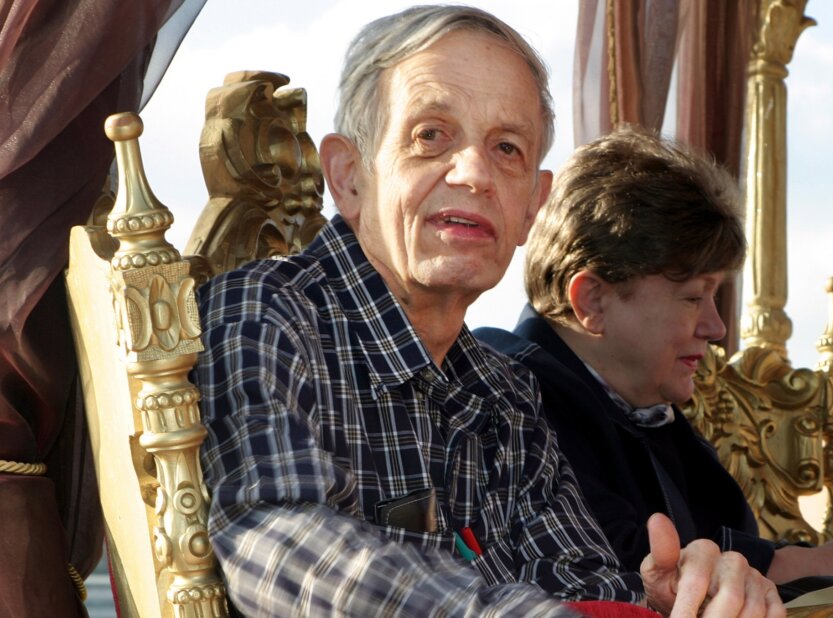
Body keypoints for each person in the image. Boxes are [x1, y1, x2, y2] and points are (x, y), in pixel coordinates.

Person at [193, 6, 783, 617]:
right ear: (348, 176)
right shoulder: (266, 314)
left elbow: (572, 578)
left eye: (506, 148)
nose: (475, 173)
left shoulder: (508, 394)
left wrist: (660, 599)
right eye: (430, 135)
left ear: (531, 207)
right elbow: (276, 544)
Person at [476, 126, 833, 617]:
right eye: (693, 297)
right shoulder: (509, 395)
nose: (715, 328)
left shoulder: (654, 414)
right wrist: (813, 563)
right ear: (593, 300)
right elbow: (608, 566)